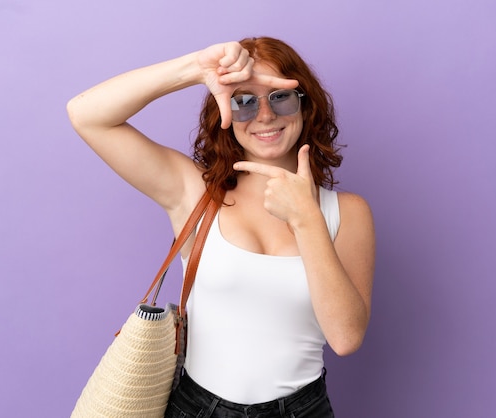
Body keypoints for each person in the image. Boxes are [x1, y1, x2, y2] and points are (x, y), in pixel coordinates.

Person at [67, 36, 375, 418]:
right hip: (196, 408)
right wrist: (196, 68)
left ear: (305, 104)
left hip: (302, 410)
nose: (264, 115)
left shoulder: (346, 212)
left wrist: (306, 218)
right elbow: (87, 115)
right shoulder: (194, 192)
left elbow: (345, 338)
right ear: (224, 113)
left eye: (279, 96)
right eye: (244, 102)